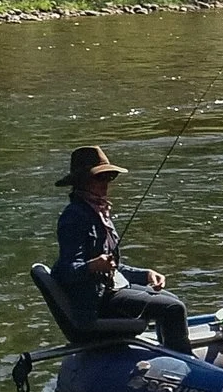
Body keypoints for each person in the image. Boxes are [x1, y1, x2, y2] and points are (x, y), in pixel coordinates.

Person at [51, 145, 191, 352]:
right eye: (100, 178)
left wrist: (145, 275)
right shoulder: (74, 217)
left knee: (172, 299)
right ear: (82, 181)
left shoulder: (99, 212)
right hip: (97, 302)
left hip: (110, 291)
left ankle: (170, 351)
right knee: (173, 308)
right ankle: (183, 359)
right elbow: (65, 271)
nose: (106, 184)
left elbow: (112, 267)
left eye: (109, 178)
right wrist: (92, 266)